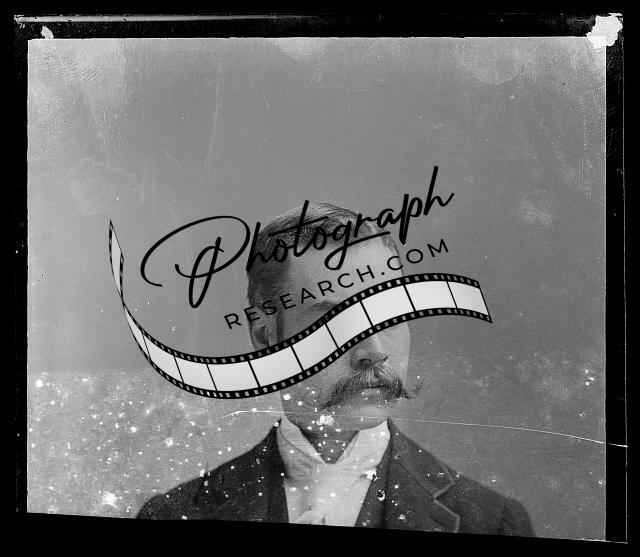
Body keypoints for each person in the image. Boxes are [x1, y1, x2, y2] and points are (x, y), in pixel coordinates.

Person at [137, 202, 534, 536]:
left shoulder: (492, 522)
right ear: (264, 336)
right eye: (332, 324)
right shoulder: (173, 514)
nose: (374, 352)